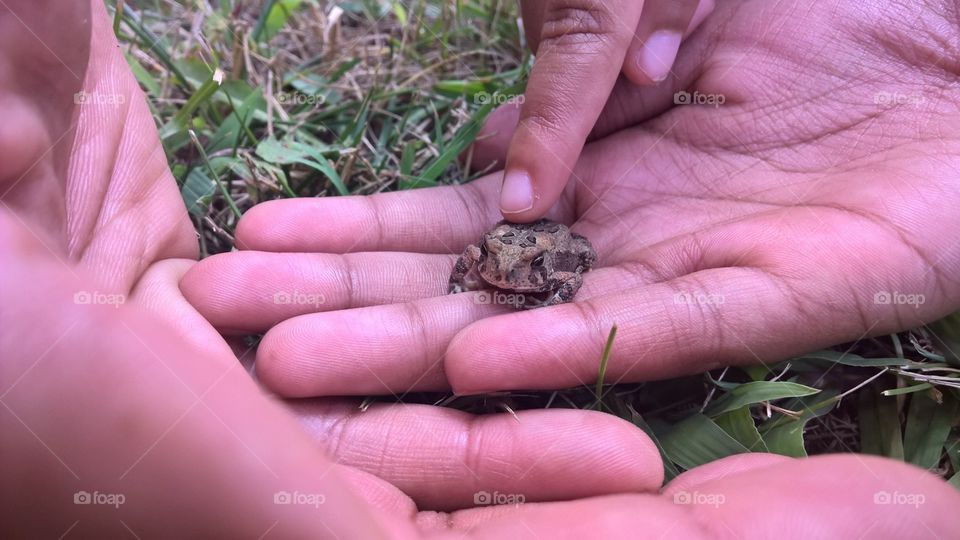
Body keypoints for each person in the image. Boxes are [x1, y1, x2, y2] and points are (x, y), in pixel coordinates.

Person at [2, 0, 958, 537]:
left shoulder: (542, 261)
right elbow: (498, 263)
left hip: (558, 261)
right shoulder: (492, 259)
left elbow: (553, 265)